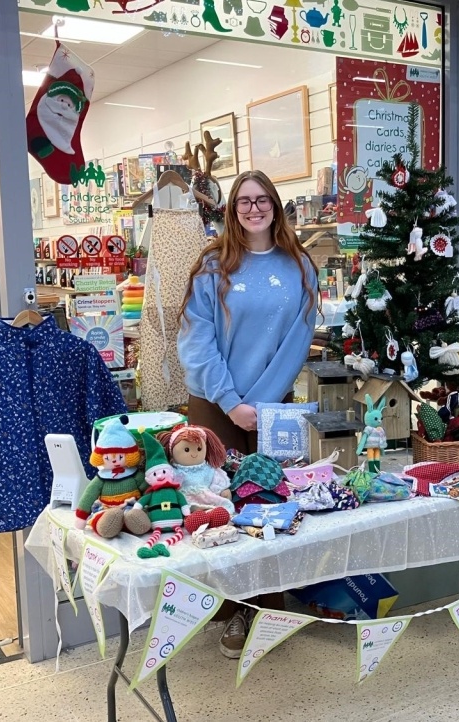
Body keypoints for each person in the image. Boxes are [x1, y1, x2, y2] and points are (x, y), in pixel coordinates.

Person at [177, 169, 318, 656]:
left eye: (262, 199)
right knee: (218, 509)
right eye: (243, 201)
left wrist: (259, 404)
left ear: (275, 206)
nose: (253, 208)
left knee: (270, 507)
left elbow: (297, 342)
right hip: (216, 408)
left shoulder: (300, 266)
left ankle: (266, 608)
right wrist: (232, 402)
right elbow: (197, 341)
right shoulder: (213, 266)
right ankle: (228, 610)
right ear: (232, 209)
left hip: (273, 410)